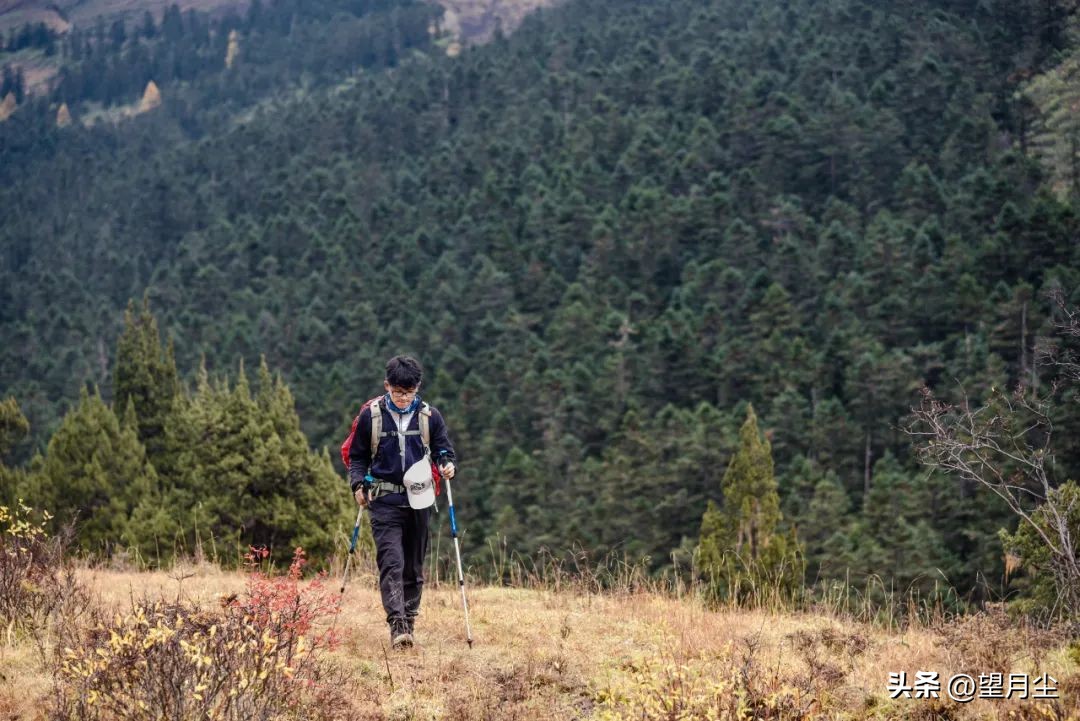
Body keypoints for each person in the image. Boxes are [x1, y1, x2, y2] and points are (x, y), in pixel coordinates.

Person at [348, 355, 456, 649]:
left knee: (413, 566)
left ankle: (409, 620)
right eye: (398, 392)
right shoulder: (371, 416)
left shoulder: (429, 417)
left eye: (409, 392)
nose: (404, 398)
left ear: (417, 388)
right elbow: (357, 457)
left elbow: (443, 450)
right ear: (387, 386)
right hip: (384, 500)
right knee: (391, 562)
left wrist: (448, 465)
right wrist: (357, 484)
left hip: (420, 499)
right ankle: (397, 626)